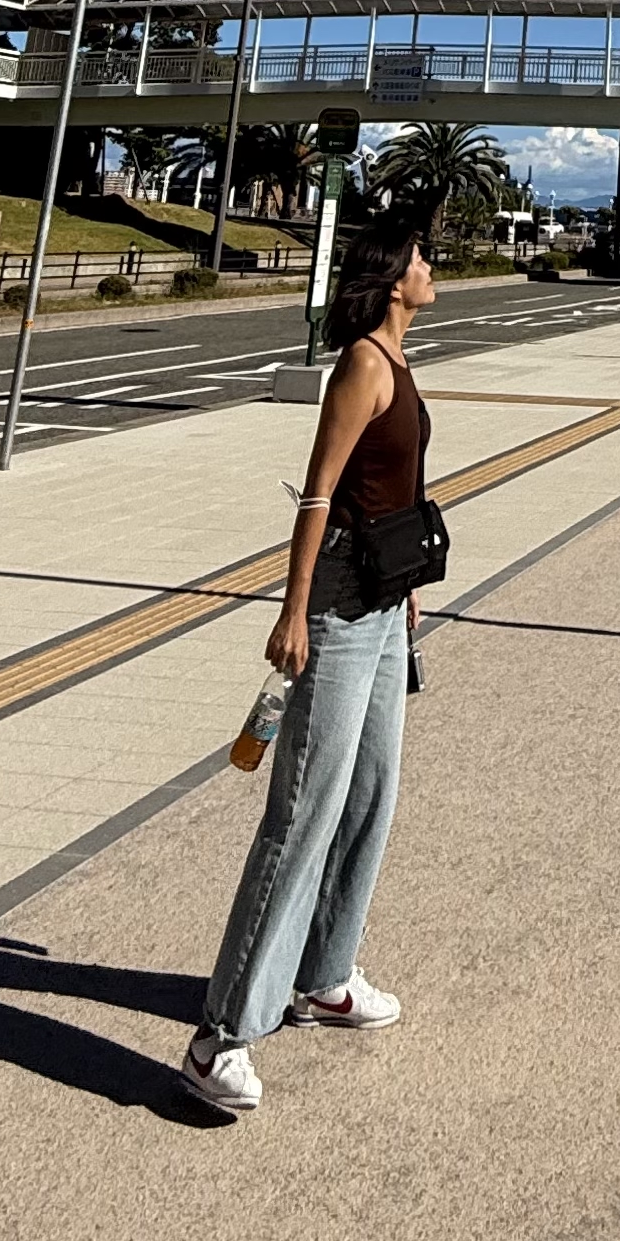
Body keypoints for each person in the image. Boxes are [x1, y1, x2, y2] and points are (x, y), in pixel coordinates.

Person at [182, 194, 437, 1116]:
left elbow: (392, 483)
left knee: (370, 794)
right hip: (335, 607)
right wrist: (292, 612)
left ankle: (324, 975)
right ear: (393, 279)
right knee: (301, 813)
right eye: (421, 256)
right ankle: (220, 1038)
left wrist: (408, 582)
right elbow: (319, 496)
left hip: (383, 603)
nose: (431, 266)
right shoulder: (363, 365)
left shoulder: (401, 359)